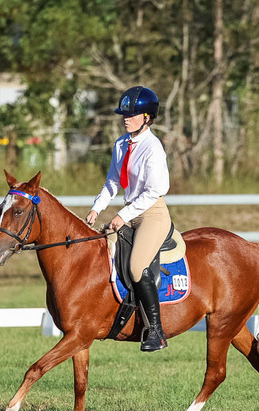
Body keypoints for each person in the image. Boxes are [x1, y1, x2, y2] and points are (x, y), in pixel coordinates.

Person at [86, 86, 171, 352]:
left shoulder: (153, 148)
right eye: (124, 113)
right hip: (130, 212)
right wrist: (96, 209)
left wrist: (122, 215)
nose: (126, 118)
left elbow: (155, 190)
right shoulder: (121, 144)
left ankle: (155, 331)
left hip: (152, 214)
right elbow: (113, 182)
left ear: (147, 117)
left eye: (132, 114)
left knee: (136, 266)